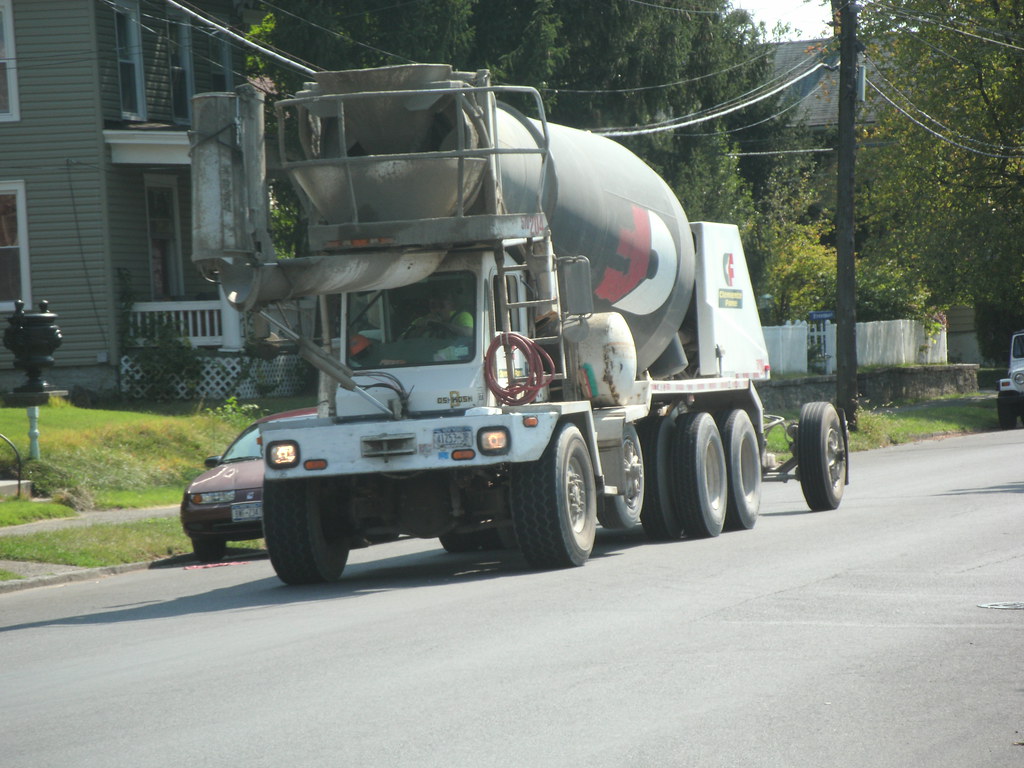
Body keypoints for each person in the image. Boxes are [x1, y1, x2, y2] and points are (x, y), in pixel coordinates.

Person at [403, 293, 473, 339]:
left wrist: (439, 324)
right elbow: (402, 338)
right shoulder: (422, 320)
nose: (437, 309)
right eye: (433, 306)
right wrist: (421, 328)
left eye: (441, 305)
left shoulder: (461, 316)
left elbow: (468, 334)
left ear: (451, 306)